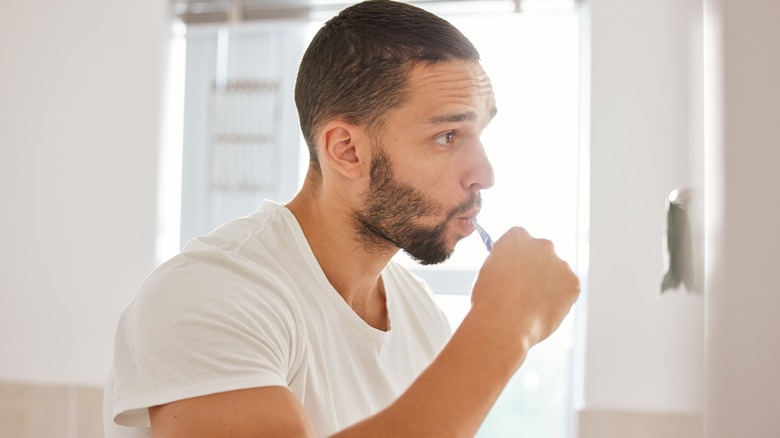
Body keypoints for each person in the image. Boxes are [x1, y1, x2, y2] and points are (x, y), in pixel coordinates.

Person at [103, 0, 580, 436]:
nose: (484, 175)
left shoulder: (419, 315)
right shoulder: (208, 294)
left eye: (479, 133)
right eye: (446, 136)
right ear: (347, 151)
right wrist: (504, 326)